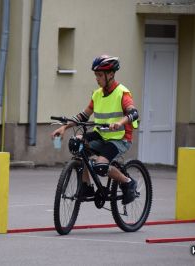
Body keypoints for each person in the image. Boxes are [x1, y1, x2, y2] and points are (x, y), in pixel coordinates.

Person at [51, 55, 139, 204]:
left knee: (100, 166)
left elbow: (134, 113)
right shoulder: (97, 94)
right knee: (77, 143)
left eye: (99, 75)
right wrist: (64, 127)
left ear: (110, 74)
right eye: (95, 75)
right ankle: (87, 186)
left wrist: (120, 122)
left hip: (119, 138)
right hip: (102, 135)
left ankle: (128, 182)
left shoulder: (122, 93)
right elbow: (84, 115)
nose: (96, 79)